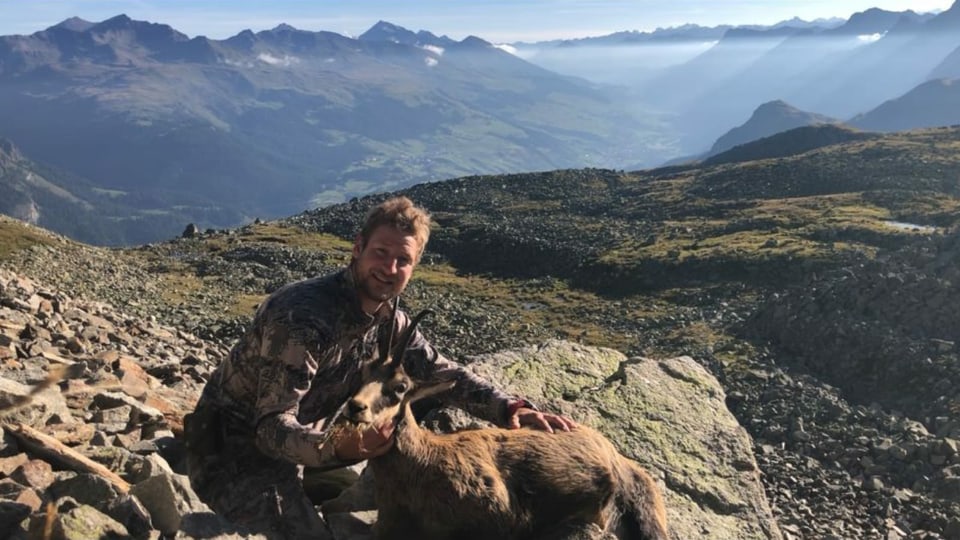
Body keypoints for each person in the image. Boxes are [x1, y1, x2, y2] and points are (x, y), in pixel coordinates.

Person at [183, 196, 576, 539]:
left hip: (309, 447)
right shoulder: (302, 318)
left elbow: (445, 375)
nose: (389, 268)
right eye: (381, 253)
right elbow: (270, 429)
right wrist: (337, 446)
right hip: (234, 452)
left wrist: (510, 409)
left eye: (403, 260)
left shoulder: (390, 322)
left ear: (414, 266)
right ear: (358, 248)